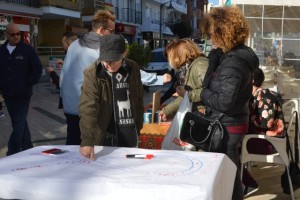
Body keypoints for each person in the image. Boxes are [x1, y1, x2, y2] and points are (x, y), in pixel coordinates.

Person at [200, 7, 259, 200]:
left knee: (229, 178)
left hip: (227, 126)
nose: (210, 38)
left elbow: (224, 101)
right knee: (228, 175)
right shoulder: (232, 56)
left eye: (211, 33)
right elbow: (210, 85)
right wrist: (213, 62)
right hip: (229, 123)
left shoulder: (234, 62)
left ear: (222, 32)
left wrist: (203, 94)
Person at [79, 34, 144, 160]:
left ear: (124, 54)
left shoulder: (133, 68)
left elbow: (138, 99)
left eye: (113, 61)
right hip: (105, 135)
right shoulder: (92, 73)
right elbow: (88, 107)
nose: (108, 65)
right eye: (105, 60)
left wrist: (139, 128)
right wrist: (87, 141)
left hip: (130, 133)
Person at [59, 10, 116, 145]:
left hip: (70, 104)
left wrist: (64, 97)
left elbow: (64, 74)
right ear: (102, 30)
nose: (113, 34)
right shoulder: (99, 49)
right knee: (92, 147)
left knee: (72, 143)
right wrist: (158, 79)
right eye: (111, 31)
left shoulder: (74, 44)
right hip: (88, 107)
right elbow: (122, 71)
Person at [0, 23, 43, 156]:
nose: (16, 36)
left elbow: (37, 69)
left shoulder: (27, 50)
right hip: (7, 93)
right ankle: (27, 146)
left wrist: (28, 83)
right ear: (6, 34)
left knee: (18, 122)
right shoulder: (1, 50)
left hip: (23, 93)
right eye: (13, 34)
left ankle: (12, 151)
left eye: (18, 34)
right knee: (18, 120)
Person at [242, 68, 285, 196]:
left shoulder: (265, 97)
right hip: (262, 139)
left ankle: (248, 183)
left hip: (270, 143)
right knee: (230, 146)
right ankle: (242, 182)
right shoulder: (256, 95)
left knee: (230, 148)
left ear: (252, 80)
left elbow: (267, 124)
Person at [158, 38, 208, 121]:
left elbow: (210, 91)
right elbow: (185, 96)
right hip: (199, 115)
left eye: (172, 56)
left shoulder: (200, 64)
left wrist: (187, 94)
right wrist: (166, 111)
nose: (172, 61)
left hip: (206, 116)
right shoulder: (192, 66)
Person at [46, 32, 78, 109]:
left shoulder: (73, 58)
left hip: (72, 104)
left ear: (70, 44)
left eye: (63, 44)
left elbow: (62, 84)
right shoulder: (76, 56)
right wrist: (64, 64)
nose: (62, 46)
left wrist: (52, 72)